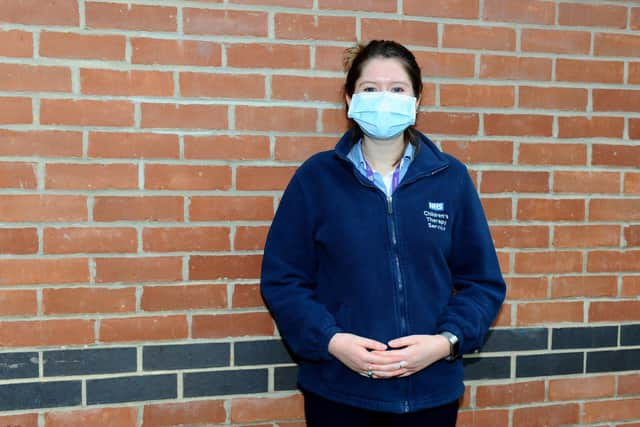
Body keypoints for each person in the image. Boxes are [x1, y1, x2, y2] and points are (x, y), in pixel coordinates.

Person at [260, 40, 506, 427]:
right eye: (370, 89)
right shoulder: (317, 179)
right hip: (339, 393)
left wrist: (445, 343)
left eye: (397, 89)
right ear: (349, 98)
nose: (383, 100)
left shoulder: (450, 179)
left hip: (430, 395)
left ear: (417, 99)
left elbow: (483, 283)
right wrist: (332, 341)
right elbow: (283, 279)